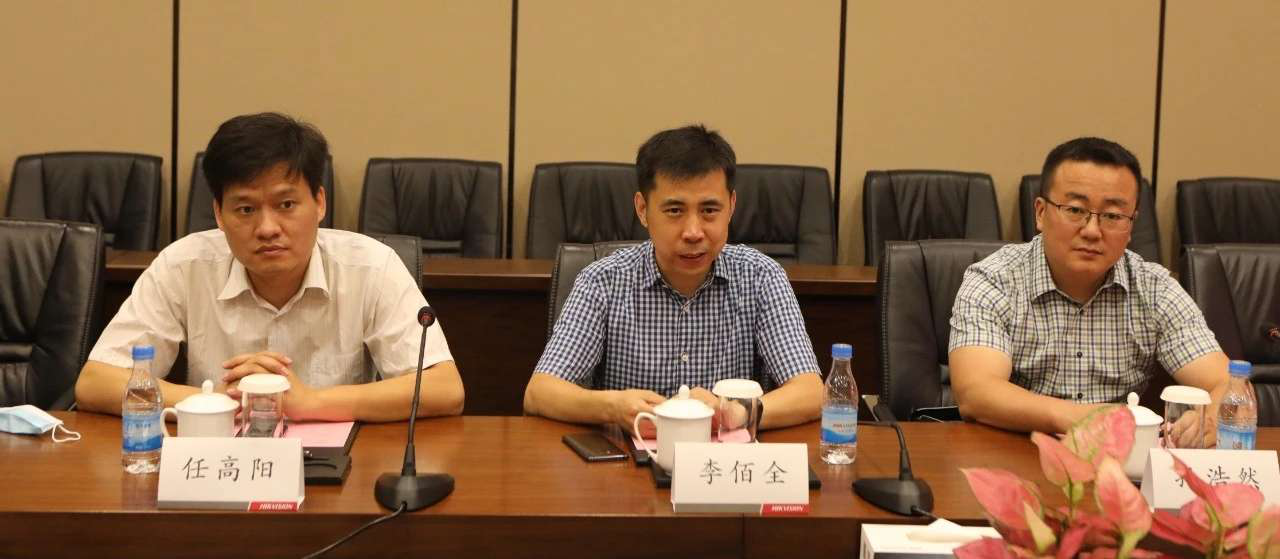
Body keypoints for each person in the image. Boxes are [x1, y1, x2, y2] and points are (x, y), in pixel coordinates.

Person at [75, 112, 464, 421]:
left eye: (286, 205)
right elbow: (96, 382)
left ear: (320, 202)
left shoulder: (371, 267)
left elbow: (444, 388)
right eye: (246, 209)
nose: (267, 228)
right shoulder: (183, 266)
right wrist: (218, 401)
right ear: (219, 214)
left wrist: (309, 403)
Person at [522, 124, 823, 434]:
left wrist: (735, 412)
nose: (693, 232)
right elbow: (539, 392)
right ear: (642, 209)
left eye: (709, 210)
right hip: (629, 459)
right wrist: (613, 407)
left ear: (731, 207)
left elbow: (812, 392)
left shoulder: (760, 277)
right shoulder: (603, 281)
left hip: (723, 460)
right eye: (675, 210)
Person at [949, 137, 1228, 437]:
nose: (1092, 231)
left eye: (1112, 216)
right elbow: (977, 392)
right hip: (1016, 450)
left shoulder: (1155, 289)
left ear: (1131, 225)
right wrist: (1079, 418)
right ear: (1041, 213)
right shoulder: (994, 280)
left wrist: (1208, 422)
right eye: (1075, 210)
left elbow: (1226, 382)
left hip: (1119, 457)